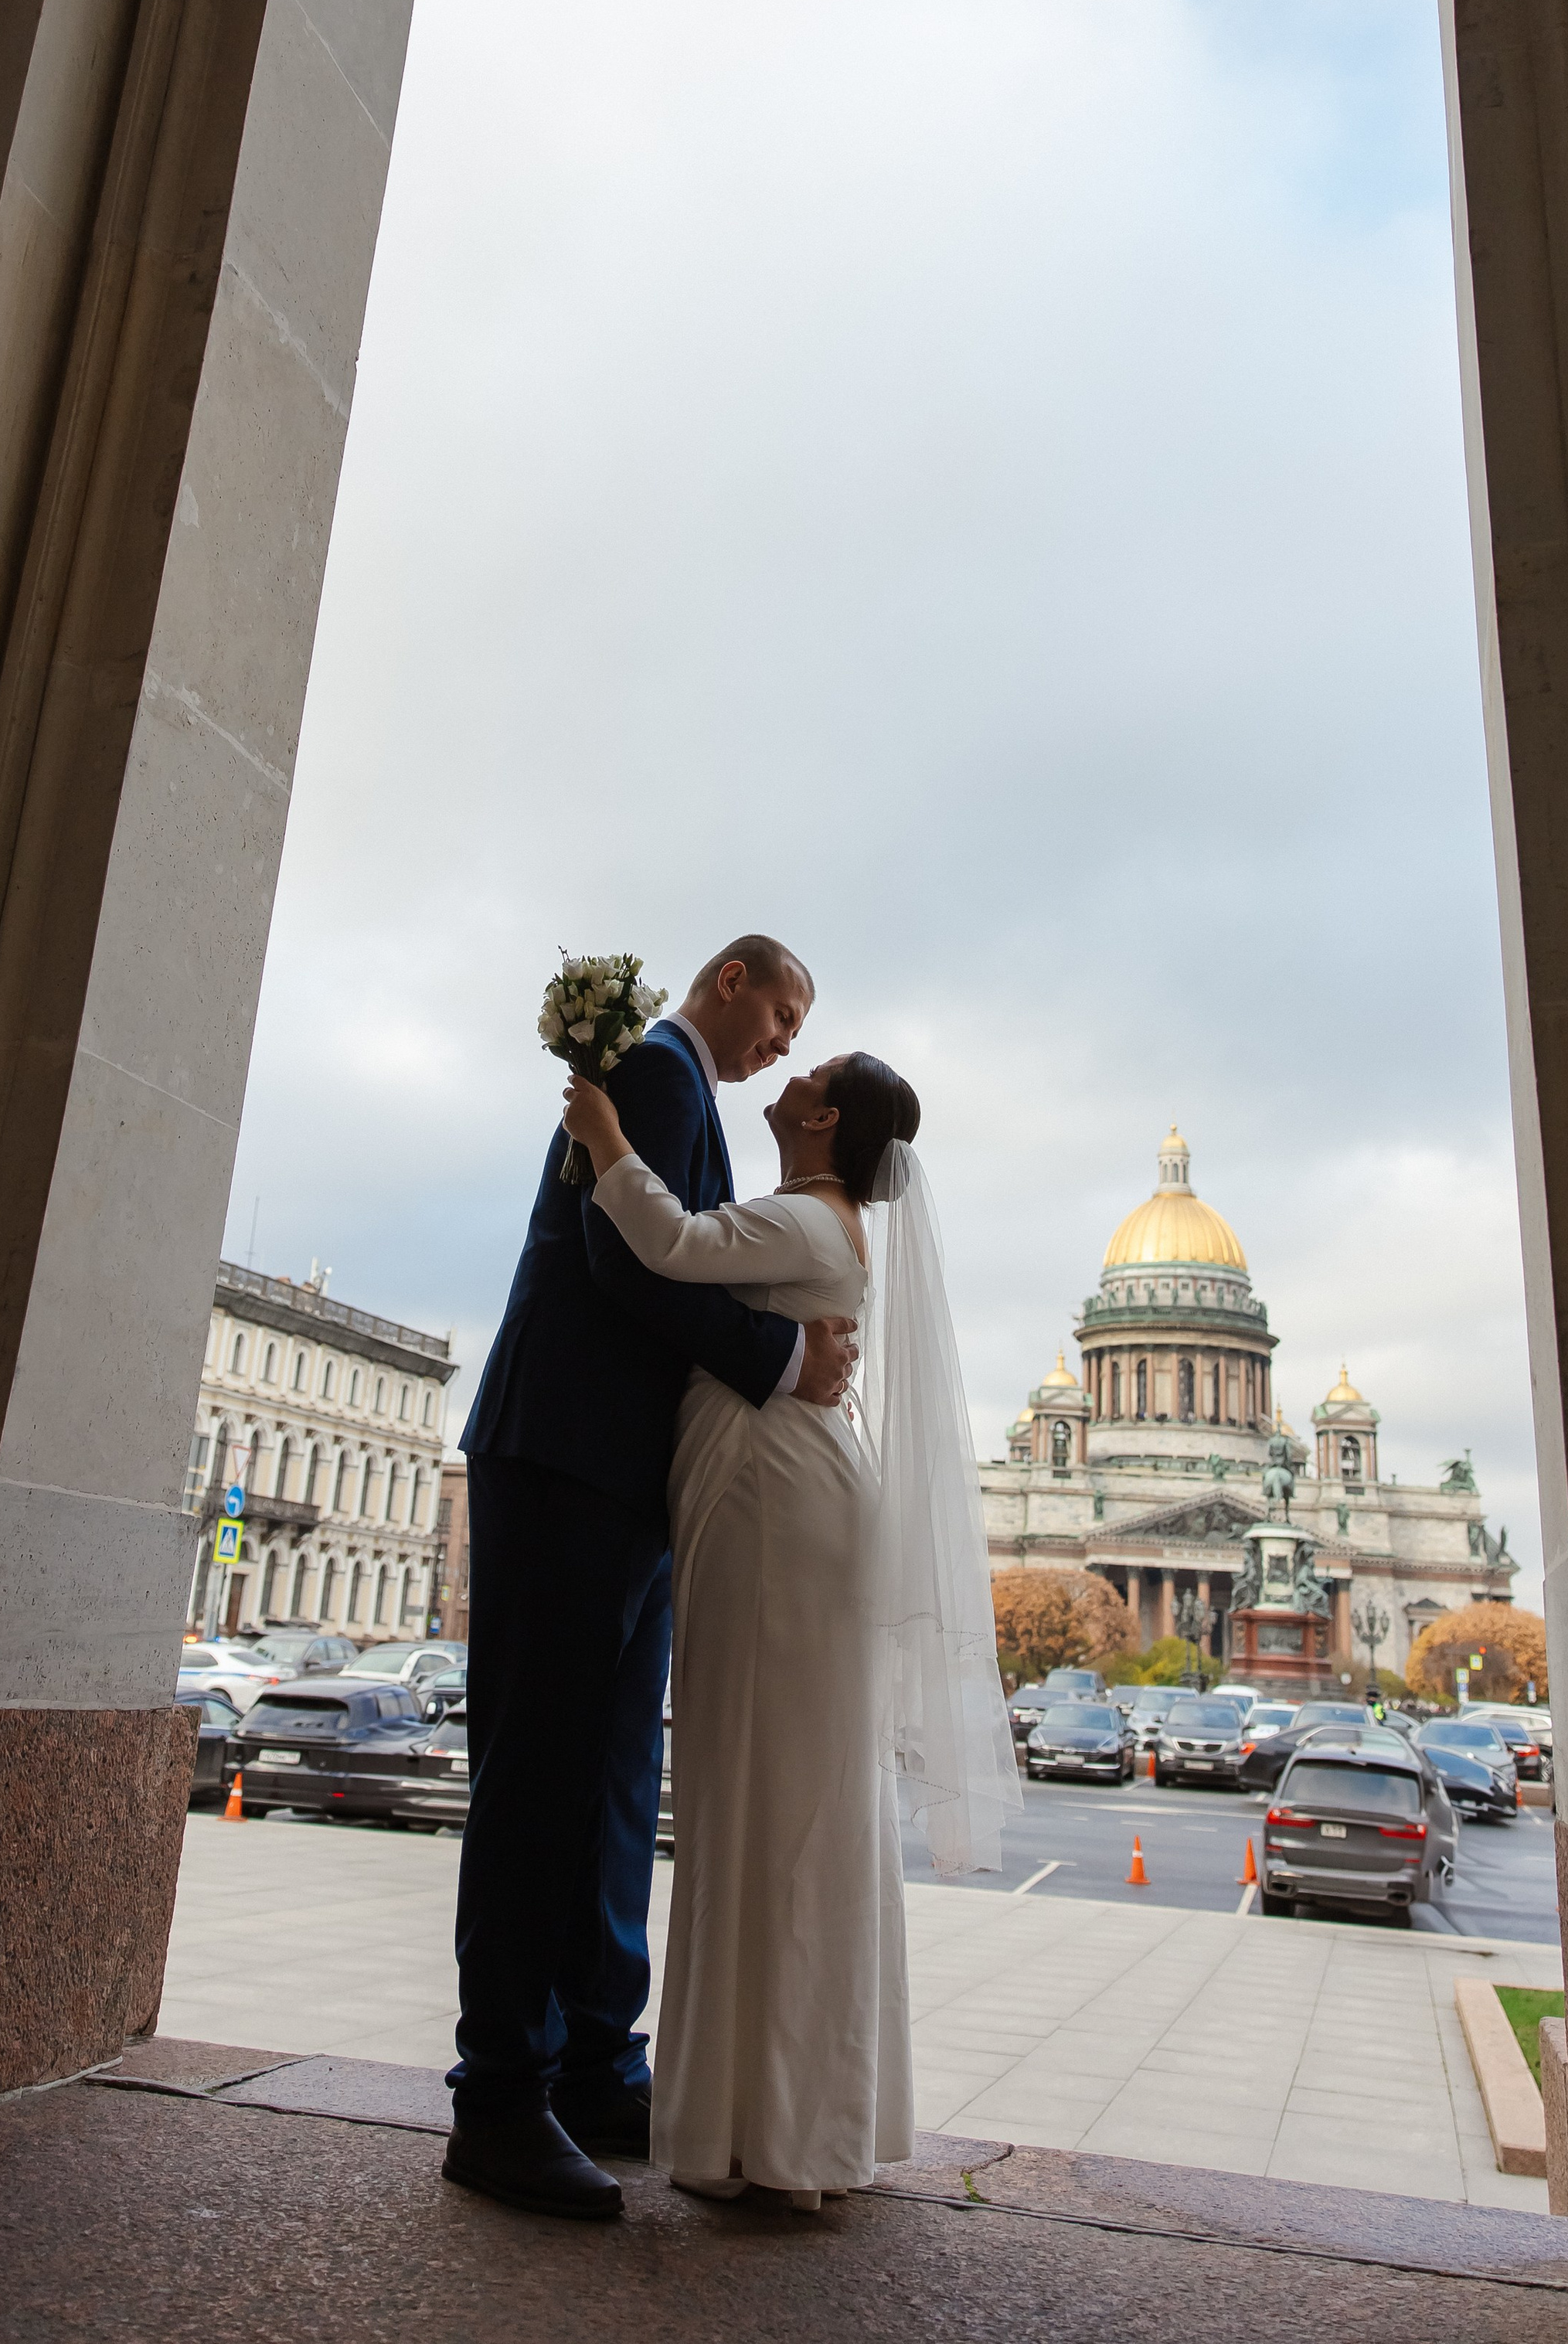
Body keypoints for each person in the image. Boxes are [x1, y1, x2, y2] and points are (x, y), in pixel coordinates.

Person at [443, 938, 860, 2222]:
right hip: (564, 1456)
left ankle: (588, 2064)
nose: (783, 1042)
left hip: (622, 1482)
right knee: (542, 1779)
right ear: (729, 978)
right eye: (782, 1011)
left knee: (611, 1782)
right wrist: (781, 1356)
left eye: (800, 1031)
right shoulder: (659, 1075)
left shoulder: (680, 1092)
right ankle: (501, 2093)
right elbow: (626, 1256)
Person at [560, 1043, 1019, 2206]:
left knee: (766, 1793)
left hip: (776, 1506)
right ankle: (788, 2125)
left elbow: (671, 1243)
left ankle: (774, 2132)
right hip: (780, 1493)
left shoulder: (810, 1221)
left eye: (806, 1068)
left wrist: (602, 1128)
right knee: (784, 1793)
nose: (788, 1072)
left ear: (821, 1119)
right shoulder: (824, 1221)